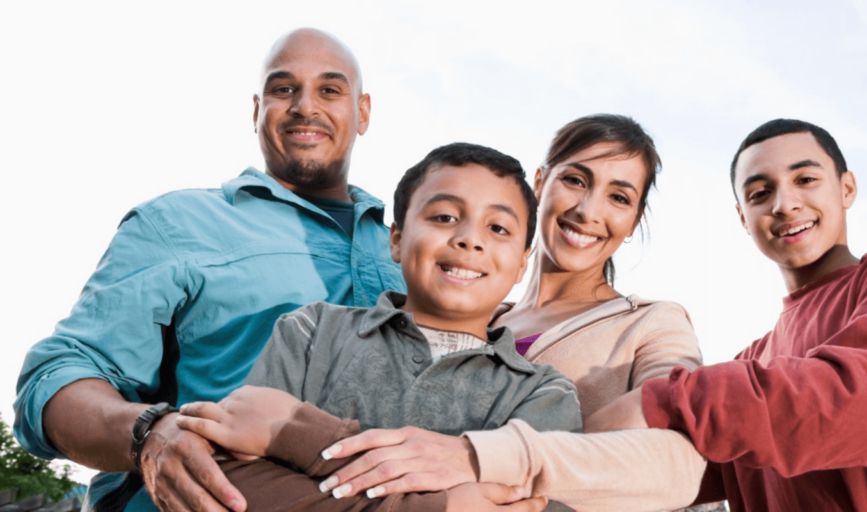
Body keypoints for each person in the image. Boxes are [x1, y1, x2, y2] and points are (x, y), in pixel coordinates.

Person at [13, 28, 403, 512]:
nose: (306, 106)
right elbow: (55, 377)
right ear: (256, 110)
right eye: (283, 89)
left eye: (330, 89)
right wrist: (150, 434)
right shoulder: (176, 223)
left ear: (362, 112)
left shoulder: (418, 253)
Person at [297, 115, 710, 511]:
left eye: (619, 198)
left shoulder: (653, 323)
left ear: (633, 222)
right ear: (540, 182)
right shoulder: (466, 315)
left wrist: (479, 457)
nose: (588, 210)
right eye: (574, 180)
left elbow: (679, 466)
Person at [599, 118, 867, 510]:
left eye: (806, 180)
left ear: (846, 188)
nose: (784, 204)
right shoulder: (753, 362)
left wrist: (668, 399)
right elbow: (676, 471)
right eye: (760, 193)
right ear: (744, 218)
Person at [176, 142, 583, 512]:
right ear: (396, 239)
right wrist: (434, 507)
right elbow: (234, 488)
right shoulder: (312, 331)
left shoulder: (542, 394)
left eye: (498, 228)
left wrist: (299, 436)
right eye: (444, 216)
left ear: (522, 264)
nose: (468, 239)